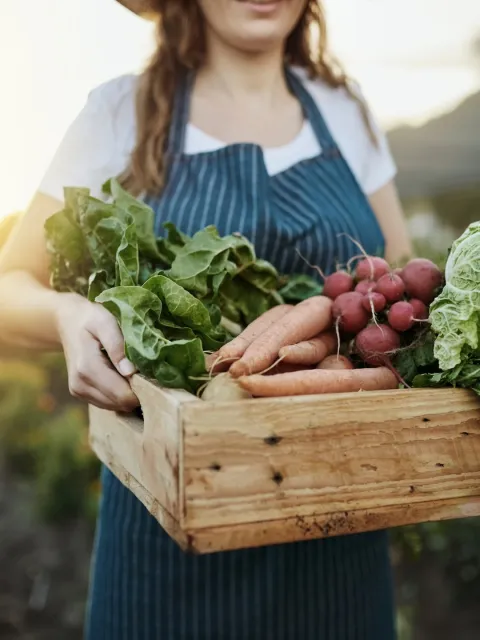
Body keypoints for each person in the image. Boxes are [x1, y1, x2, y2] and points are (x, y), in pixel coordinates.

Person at [0, 0, 412, 637]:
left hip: (339, 530)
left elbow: (398, 275)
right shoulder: (119, 112)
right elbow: (8, 286)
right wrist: (65, 314)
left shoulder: (344, 108)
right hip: (168, 540)